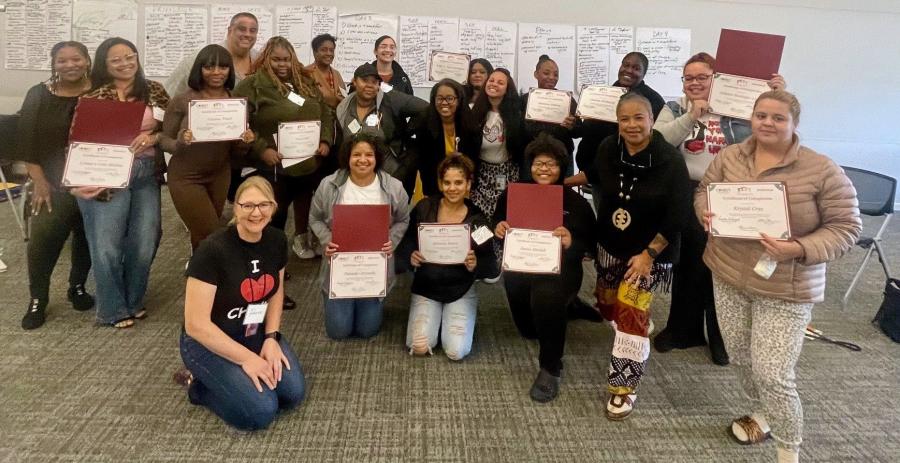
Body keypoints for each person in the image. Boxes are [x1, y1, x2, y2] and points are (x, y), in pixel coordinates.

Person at [695, 90, 860, 463]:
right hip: (728, 274)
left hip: (786, 285)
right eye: (761, 115)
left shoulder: (822, 170)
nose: (767, 123)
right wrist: (706, 211)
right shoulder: (730, 156)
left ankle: (789, 451)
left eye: (778, 117)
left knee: (772, 374)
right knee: (740, 358)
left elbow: (847, 228)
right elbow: (705, 191)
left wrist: (798, 248)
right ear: (751, 118)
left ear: (794, 124)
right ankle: (765, 413)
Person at [652, 52, 786, 365]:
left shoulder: (739, 110)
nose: (695, 83)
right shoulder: (674, 108)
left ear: (717, 79)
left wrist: (776, 95)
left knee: (722, 268)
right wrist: (690, 117)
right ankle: (682, 331)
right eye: (689, 78)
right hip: (686, 193)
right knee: (688, 265)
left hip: (730, 195)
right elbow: (657, 142)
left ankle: (721, 337)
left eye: (702, 77)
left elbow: (770, 131)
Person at [574, 93, 690, 420]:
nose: (631, 125)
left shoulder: (670, 161)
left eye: (639, 117)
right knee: (607, 305)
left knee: (629, 318)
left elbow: (678, 215)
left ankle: (623, 387)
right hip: (609, 245)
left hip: (648, 252)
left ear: (652, 119)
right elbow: (594, 177)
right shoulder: (609, 148)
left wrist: (649, 254)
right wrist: (554, 185)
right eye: (625, 118)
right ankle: (632, 319)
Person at [175, 176, 305, 431]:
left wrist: (271, 337)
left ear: (273, 207)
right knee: (261, 412)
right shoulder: (212, 250)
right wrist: (248, 358)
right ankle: (198, 388)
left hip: (253, 331)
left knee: (292, 395)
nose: (256, 213)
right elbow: (195, 325)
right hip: (208, 342)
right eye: (248, 206)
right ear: (235, 208)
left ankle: (231, 380)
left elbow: (276, 294)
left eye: (264, 205)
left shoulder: (277, 240)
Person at [71, 37, 169, 328]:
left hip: (145, 172)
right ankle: (112, 309)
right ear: (104, 64)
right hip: (106, 173)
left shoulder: (153, 90)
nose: (125, 63)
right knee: (107, 243)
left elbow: (170, 126)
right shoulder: (94, 96)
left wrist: (152, 138)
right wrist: (77, 182)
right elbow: (78, 140)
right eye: (116, 60)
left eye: (130, 56)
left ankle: (134, 299)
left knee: (145, 239)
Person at [492, 134, 596, 402]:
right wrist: (499, 228)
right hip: (521, 265)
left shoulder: (575, 202)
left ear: (562, 168)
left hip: (561, 269)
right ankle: (569, 307)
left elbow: (591, 242)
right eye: (539, 163)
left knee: (547, 297)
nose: (544, 169)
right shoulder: (514, 194)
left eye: (551, 164)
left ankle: (551, 367)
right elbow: (495, 220)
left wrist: (572, 240)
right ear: (530, 165)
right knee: (529, 331)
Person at [233, 36, 334, 269]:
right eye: (276, 59)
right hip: (273, 166)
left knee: (305, 202)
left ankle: (297, 242)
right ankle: (269, 264)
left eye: (286, 60)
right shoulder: (252, 85)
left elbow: (326, 113)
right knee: (273, 216)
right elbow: (238, 123)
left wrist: (325, 140)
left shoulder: (305, 82)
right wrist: (261, 148)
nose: (282, 65)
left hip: (308, 161)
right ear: (266, 59)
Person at [16, 41, 94, 330]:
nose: (70, 65)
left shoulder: (101, 92)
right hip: (52, 183)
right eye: (62, 60)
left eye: (76, 59)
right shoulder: (39, 94)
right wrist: (39, 182)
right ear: (54, 64)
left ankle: (77, 286)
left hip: (91, 181)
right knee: (43, 242)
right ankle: (38, 298)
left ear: (87, 61)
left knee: (86, 238)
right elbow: (26, 143)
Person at [309, 133, 410, 339]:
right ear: (348, 157)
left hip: (373, 269)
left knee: (367, 330)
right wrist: (327, 241)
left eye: (368, 155)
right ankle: (339, 302)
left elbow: (403, 219)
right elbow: (315, 219)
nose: (362, 160)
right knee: (338, 331)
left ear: (377, 158)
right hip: (340, 268)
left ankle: (366, 304)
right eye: (356, 154)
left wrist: (392, 239)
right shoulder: (329, 185)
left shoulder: (393, 187)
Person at [159, 44, 255, 250]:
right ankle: (213, 272)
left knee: (201, 233)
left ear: (230, 70)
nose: (216, 72)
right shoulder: (182, 101)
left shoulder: (236, 103)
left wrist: (246, 141)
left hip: (220, 175)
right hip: (186, 177)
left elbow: (236, 151)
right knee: (212, 231)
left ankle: (198, 271)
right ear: (199, 69)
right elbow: (163, 140)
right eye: (209, 67)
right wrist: (179, 141)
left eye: (223, 67)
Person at [396, 155, 493, 359]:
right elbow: (405, 242)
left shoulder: (478, 219)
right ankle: (434, 321)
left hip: (461, 289)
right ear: (440, 184)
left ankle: (451, 320)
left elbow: (491, 262)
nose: (452, 188)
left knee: (456, 351)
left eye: (459, 182)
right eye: (447, 182)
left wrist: (476, 264)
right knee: (418, 346)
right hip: (426, 287)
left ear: (468, 184)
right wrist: (410, 256)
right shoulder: (424, 208)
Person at [335, 63, 428, 197]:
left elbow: (425, 108)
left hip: (391, 176)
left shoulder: (390, 101)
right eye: (365, 81)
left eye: (374, 82)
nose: (370, 85)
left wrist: (408, 130)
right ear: (354, 82)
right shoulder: (344, 108)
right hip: (356, 177)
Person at [575, 52, 665, 174]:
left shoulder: (653, 100)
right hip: (591, 167)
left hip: (626, 171)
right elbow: (586, 129)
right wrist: (576, 124)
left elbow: (654, 138)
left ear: (644, 74)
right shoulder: (603, 94)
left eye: (636, 68)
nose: (629, 70)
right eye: (626, 65)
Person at [469, 68, 526, 221]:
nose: (494, 84)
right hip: (481, 174)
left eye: (500, 83)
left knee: (504, 218)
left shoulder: (516, 116)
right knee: (481, 220)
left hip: (507, 172)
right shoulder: (474, 112)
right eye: (491, 80)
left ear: (507, 89)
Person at [165, 12, 260, 98]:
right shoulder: (201, 57)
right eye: (242, 29)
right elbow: (169, 95)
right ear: (230, 31)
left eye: (253, 30)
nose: (247, 34)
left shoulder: (261, 60)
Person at [414, 79, 480, 197]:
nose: (444, 103)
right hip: (433, 183)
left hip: (462, 182)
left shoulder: (470, 122)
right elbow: (424, 163)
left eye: (450, 98)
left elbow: (474, 159)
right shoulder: (424, 121)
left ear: (459, 100)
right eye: (439, 98)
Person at [521, 55, 581, 177]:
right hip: (533, 160)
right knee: (531, 195)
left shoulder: (567, 100)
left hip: (562, 160)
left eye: (556, 74)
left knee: (561, 195)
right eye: (546, 73)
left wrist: (572, 126)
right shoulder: (524, 100)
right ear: (536, 74)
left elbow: (580, 131)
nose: (552, 78)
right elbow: (518, 131)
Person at [305, 34, 347, 111]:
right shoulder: (306, 73)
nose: (329, 54)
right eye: (324, 50)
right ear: (315, 52)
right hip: (314, 119)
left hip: (336, 120)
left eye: (331, 50)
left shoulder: (336, 74)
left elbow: (344, 98)